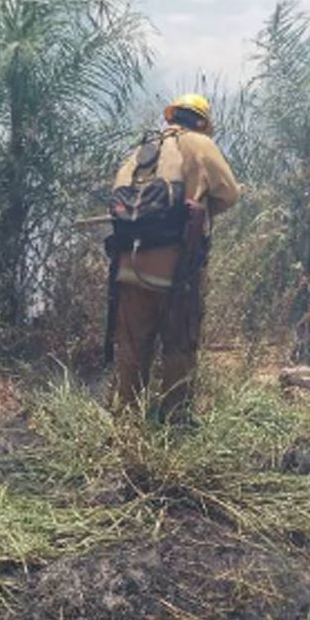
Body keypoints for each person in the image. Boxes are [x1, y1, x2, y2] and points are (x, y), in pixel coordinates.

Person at [111, 93, 239, 423]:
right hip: (176, 270)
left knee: (132, 346)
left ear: (172, 116)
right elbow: (229, 192)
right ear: (202, 122)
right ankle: (174, 421)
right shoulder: (199, 144)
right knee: (180, 345)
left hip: (128, 266)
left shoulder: (143, 150)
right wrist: (203, 208)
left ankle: (127, 419)